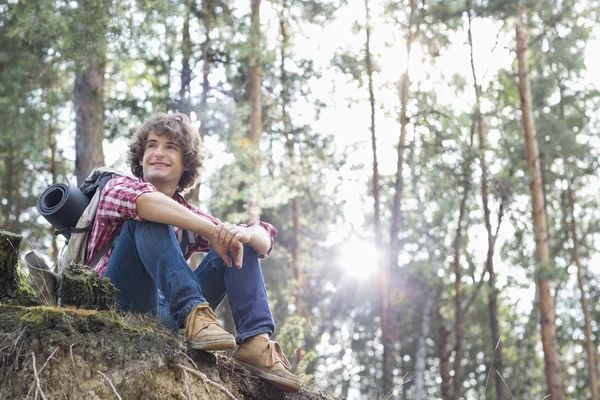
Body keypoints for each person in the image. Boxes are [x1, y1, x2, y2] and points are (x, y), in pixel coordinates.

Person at [86, 112, 301, 392]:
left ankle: (256, 343)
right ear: (140, 157)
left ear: (186, 162)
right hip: (116, 301)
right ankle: (193, 313)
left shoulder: (189, 214)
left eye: (170, 147)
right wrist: (214, 232)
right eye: (151, 145)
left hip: (165, 313)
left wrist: (242, 234)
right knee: (151, 214)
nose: (158, 153)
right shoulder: (116, 187)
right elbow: (146, 203)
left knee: (237, 240)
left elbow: (264, 237)